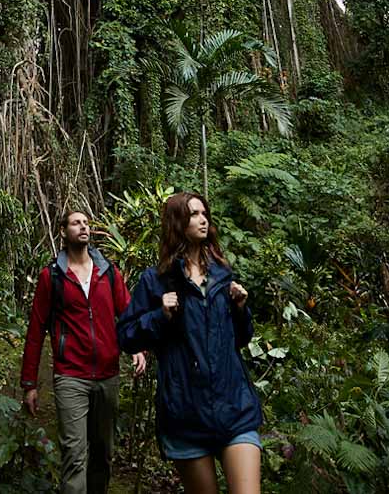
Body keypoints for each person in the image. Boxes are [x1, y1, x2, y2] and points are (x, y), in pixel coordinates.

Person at [117, 192, 262, 494]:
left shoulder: (223, 274)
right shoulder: (155, 281)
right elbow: (126, 336)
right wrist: (159, 316)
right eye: (194, 214)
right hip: (185, 412)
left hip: (233, 405)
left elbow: (242, 338)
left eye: (204, 213)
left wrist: (240, 309)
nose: (203, 219)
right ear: (177, 223)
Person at [20, 207, 148, 494]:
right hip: (71, 376)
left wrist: (137, 347)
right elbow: (35, 331)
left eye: (86, 222)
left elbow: (127, 314)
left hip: (108, 375)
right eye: (76, 223)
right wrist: (29, 383)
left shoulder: (109, 272)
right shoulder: (51, 276)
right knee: (75, 456)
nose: (83, 227)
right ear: (64, 232)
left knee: (103, 454)